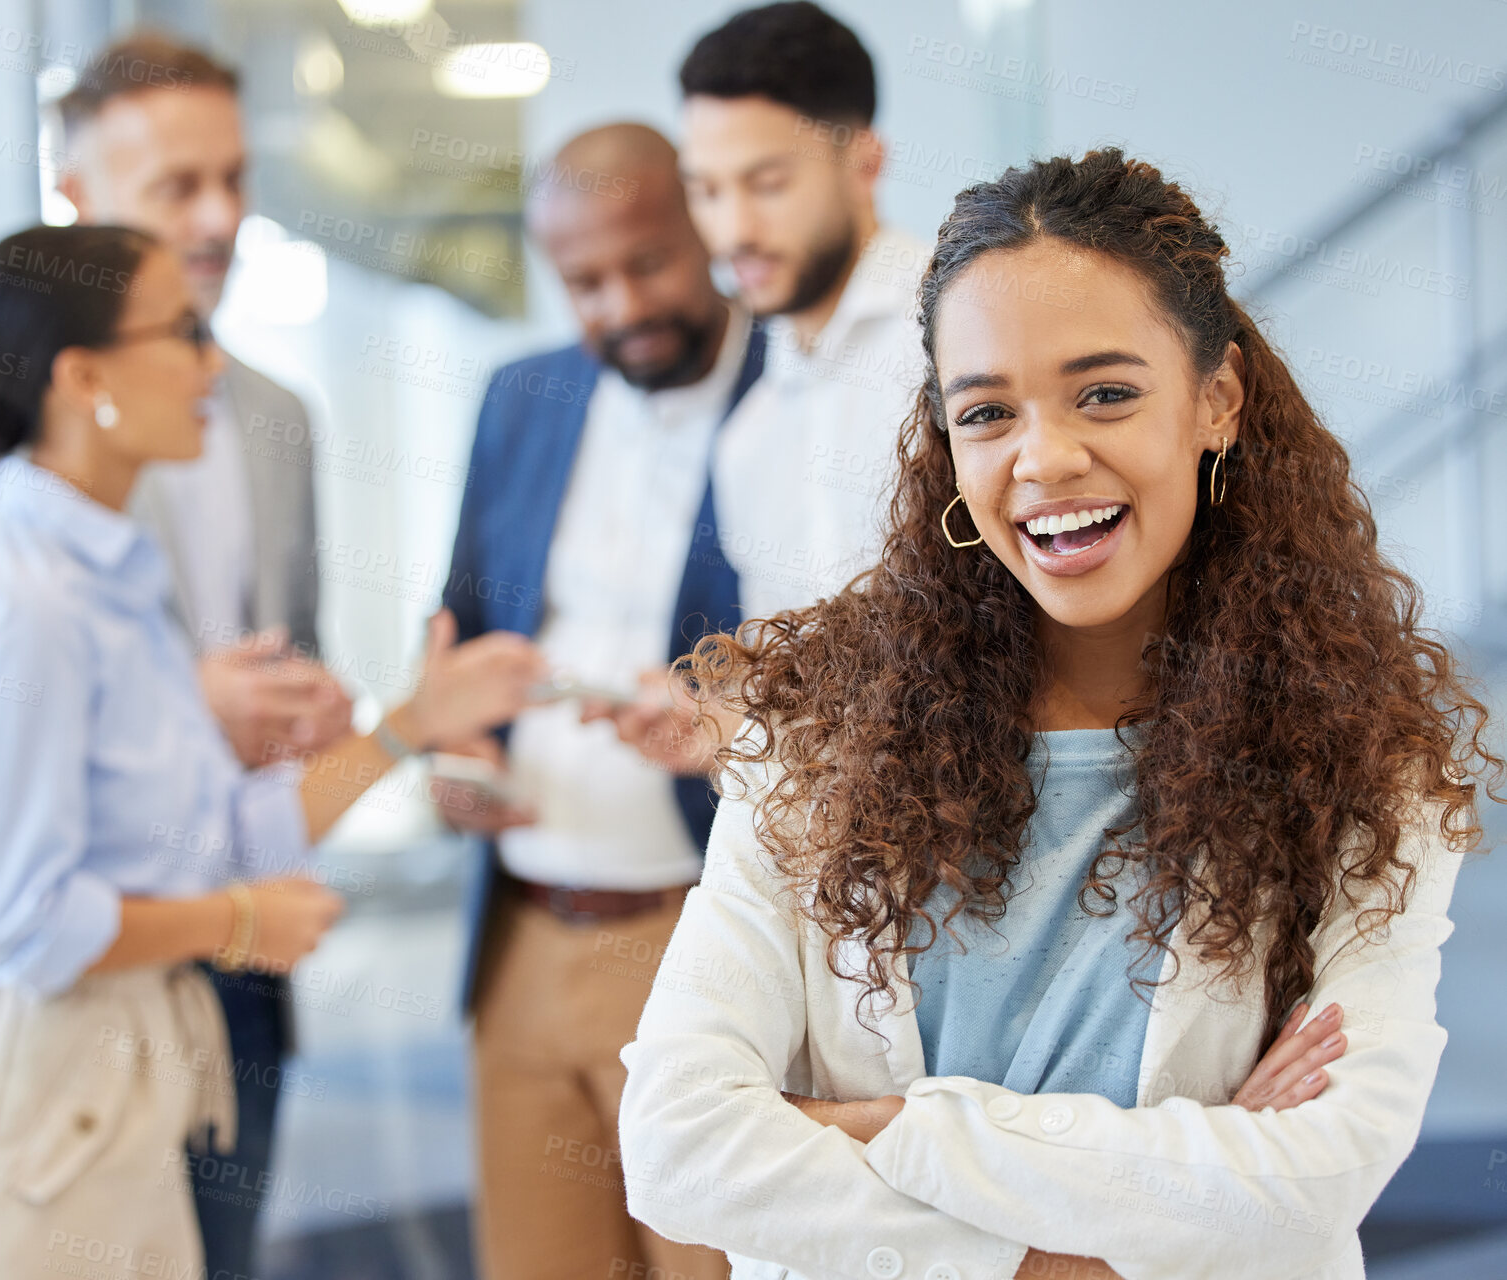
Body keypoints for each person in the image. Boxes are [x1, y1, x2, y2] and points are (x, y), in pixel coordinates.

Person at [617, 150, 1500, 1280]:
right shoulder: (813, 736)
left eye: (1105, 393)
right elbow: (681, 1148)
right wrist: (1071, 1257)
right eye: (986, 412)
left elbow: (1314, 1182)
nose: (1043, 457)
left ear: (1215, 399)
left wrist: (881, 1127)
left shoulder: (1359, 761)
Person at [0, 225, 543, 1279]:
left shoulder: (109, 574)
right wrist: (238, 921)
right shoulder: (25, 602)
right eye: (182, 332)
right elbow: (18, 919)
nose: (212, 360)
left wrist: (404, 723)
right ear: (83, 376)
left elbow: (222, 834)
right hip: (48, 1092)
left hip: (122, 1082)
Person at [437, 123, 762, 1280]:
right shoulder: (518, 396)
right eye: (583, 281)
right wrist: (452, 749)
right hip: (520, 930)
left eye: (648, 262)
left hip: (697, 938)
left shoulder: (794, 396)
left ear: (707, 236)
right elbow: (463, 630)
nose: (621, 302)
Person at [49, 35, 349, 1268]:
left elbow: (293, 650)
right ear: (76, 200)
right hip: (75, 959)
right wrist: (188, 706)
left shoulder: (277, 417)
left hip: (241, 949)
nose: (219, 215)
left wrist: (317, 710)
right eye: (177, 186)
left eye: (232, 177)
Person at [677, 1, 929, 620]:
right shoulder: (748, 433)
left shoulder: (961, 331)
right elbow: (782, 675)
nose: (733, 231)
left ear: (865, 163)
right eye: (706, 190)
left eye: (768, 183)